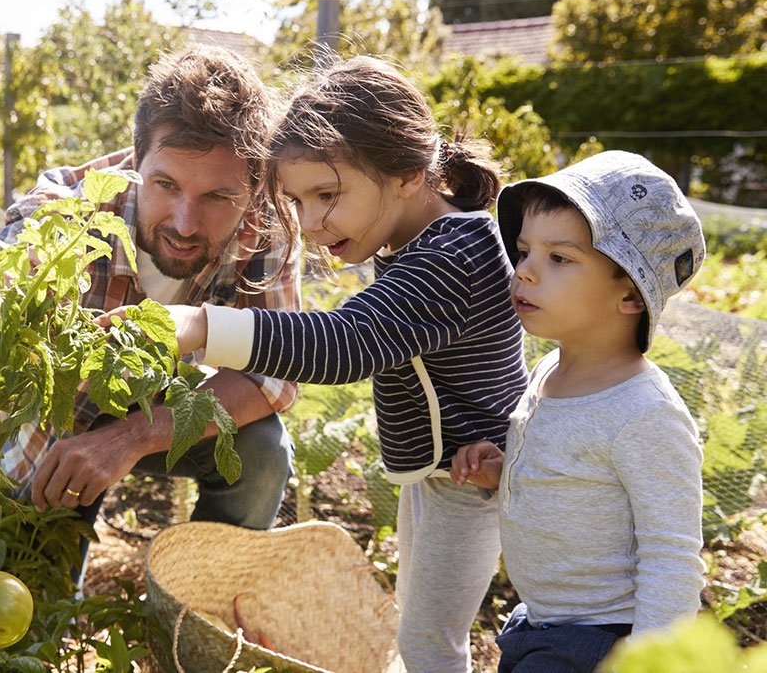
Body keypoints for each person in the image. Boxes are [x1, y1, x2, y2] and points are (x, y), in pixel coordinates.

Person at [112, 56, 530, 672]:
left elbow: (344, 342)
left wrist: (200, 326)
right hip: (450, 475)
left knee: (428, 641)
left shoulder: (454, 257)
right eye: (297, 201)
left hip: (473, 481)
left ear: (410, 173)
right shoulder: (426, 242)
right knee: (422, 626)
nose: (308, 225)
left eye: (327, 196)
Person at [0, 46, 302, 555]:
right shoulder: (68, 213)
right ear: (137, 161)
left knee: (262, 450)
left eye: (217, 197)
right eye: (166, 185)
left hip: (161, 408)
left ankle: (204, 599)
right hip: (56, 426)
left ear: (252, 187)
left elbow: (272, 372)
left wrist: (130, 438)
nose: (185, 222)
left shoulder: (268, 226)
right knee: (32, 595)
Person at [450, 150, 707, 672]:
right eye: (523, 251)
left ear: (631, 293)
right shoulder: (548, 371)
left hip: (601, 640)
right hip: (540, 622)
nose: (524, 272)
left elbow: (672, 558)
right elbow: (571, 478)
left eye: (559, 258)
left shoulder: (644, 415)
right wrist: (504, 471)